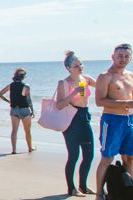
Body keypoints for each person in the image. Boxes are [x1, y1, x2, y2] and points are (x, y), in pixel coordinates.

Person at [53, 51, 97, 197]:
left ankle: (83, 186)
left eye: (81, 64)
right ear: (68, 67)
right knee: (73, 155)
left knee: (89, 155)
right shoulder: (63, 83)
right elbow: (59, 105)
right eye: (76, 65)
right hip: (71, 119)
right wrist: (74, 93)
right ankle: (71, 188)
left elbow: (103, 87)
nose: (80, 67)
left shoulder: (86, 78)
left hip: (85, 116)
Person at [94, 43, 133, 200]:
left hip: (129, 120)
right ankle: (99, 193)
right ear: (113, 57)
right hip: (112, 120)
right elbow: (99, 101)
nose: (123, 59)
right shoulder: (105, 76)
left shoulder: (130, 75)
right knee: (107, 158)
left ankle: (127, 191)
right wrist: (125, 104)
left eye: (126, 56)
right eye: (120, 56)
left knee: (129, 157)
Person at [0, 68, 37, 154]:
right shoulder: (26, 86)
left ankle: (14, 150)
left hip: (14, 110)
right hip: (24, 110)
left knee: (14, 131)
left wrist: (8, 101)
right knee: (27, 131)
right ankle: (30, 148)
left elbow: (0, 94)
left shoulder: (11, 85)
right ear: (23, 77)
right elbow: (28, 99)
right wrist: (32, 110)